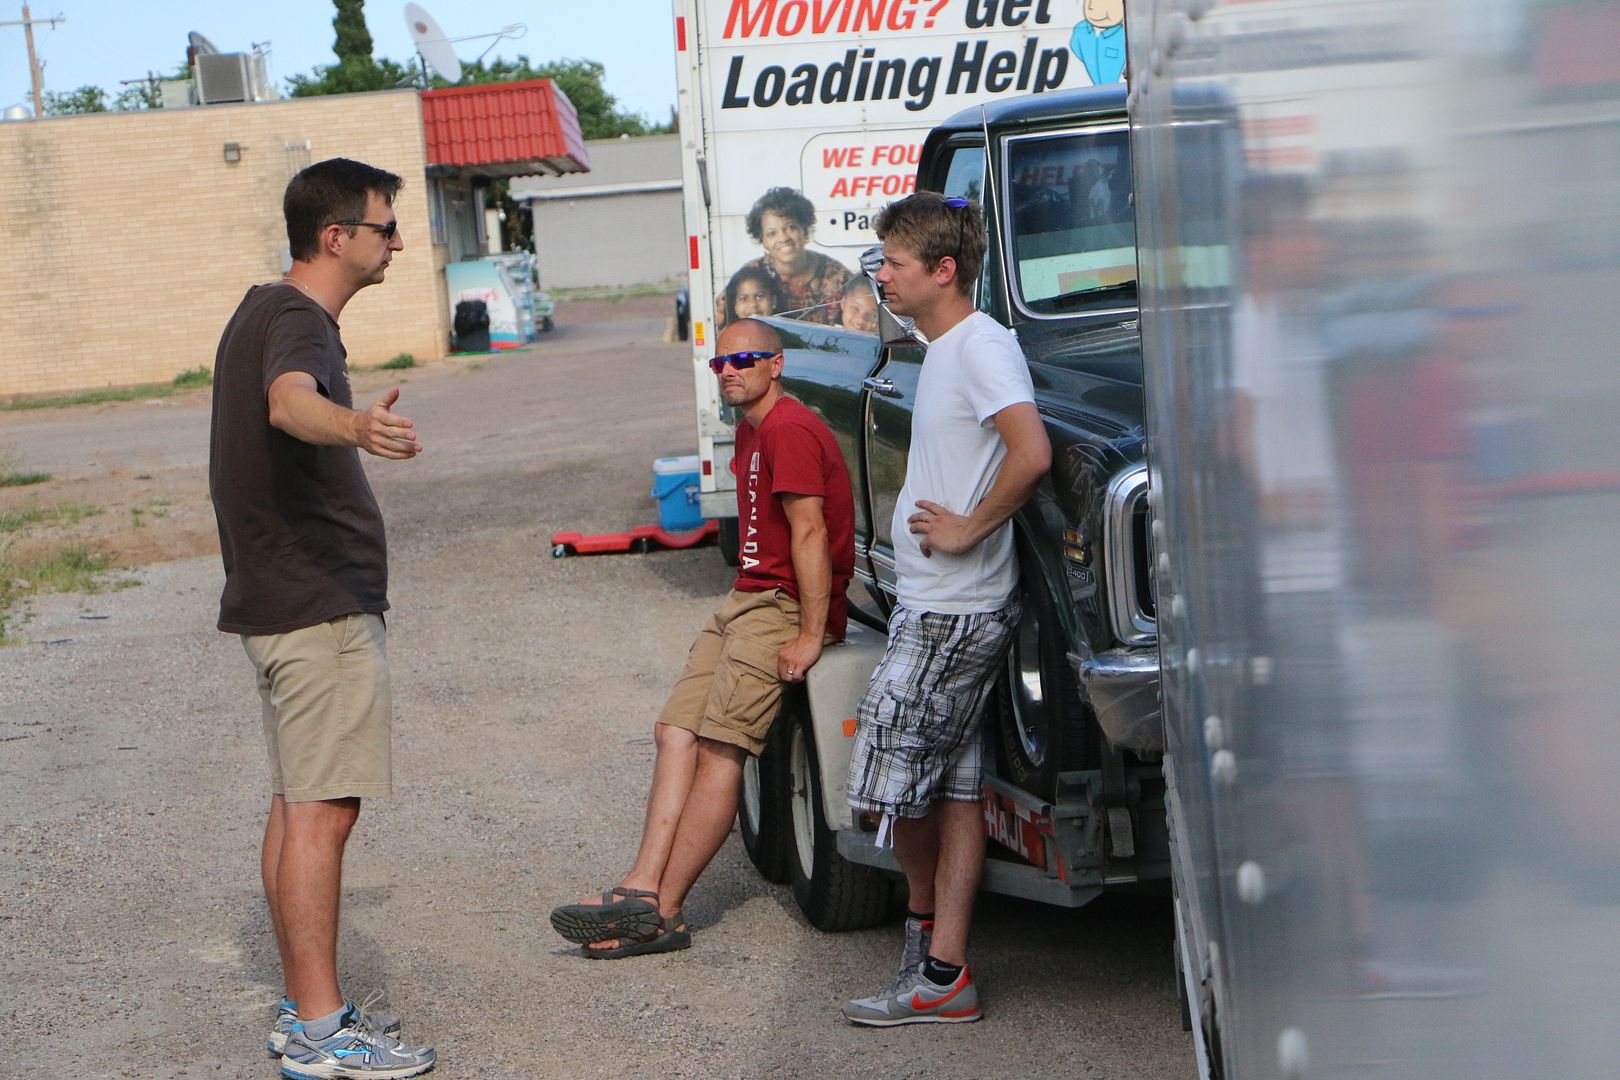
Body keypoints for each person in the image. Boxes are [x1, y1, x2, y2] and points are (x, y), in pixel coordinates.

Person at [208, 157, 436, 1079]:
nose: (397, 243)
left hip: (281, 602)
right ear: (335, 236)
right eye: (385, 228)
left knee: (297, 805)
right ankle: (319, 1028)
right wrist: (354, 427)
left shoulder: (263, 308)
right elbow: (289, 404)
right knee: (324, 816)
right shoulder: (300, 321)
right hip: (318, 608)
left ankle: (303, 1011)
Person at [548, 318, 855, 957]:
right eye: (720, 363)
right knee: (674, 731)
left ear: (777, 365)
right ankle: (640, 886)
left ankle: (665, 912)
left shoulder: (790, 429)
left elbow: (811, 533)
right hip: (745, 599)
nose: (730, 370)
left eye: (744, 359)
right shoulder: (750, 431)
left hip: (779, 605)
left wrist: (810, 632)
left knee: (721, 747)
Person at [840, 193, 1051, 1027]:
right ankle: (944, 973)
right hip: (939, 605)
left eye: (893, 263)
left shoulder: (980, 347)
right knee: (953, 790)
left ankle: (928, 955)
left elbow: (1030, 451)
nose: (882, 276)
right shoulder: (945, 350)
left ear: (942, 271)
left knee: (889, 792)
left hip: (951, 612)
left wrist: (968, 525)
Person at [734, 187, 853, 325]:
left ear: (804, 229)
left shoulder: (837, 276)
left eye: (791, 227)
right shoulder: (750, 275)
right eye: (772, 233)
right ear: (763, 240)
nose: (783, 238)